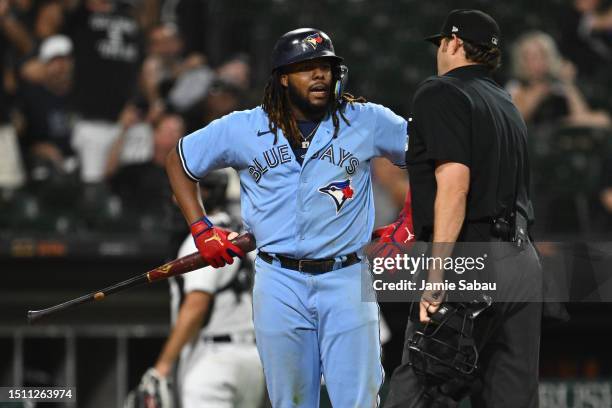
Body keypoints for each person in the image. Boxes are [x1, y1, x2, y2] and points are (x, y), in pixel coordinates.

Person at [166, 28, 408, 407]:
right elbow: (179, 161)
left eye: (326, 67)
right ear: (282, 77)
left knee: (358, 402)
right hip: (279, 280)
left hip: (346, 276)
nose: (320, 76)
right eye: (306, 68)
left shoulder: (366, 120)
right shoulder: (242, 127)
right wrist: (201, 229)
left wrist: (409, 217)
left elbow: (431, 157)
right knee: (291, 402)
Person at [385, 10, 543, 408]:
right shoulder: (505, 102)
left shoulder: (441, 91)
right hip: (521, 259)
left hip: (468, 259)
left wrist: (436, 274)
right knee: (510, 397)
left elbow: (454, 185)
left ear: (453, 43)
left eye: (441, 43)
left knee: (418, 389)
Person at [126, 171, 265, 408]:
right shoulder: (240, 234)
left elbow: (196, 305)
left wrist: (162, 367)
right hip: (253, 359)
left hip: (213, 361)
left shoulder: (201, 241)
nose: (175, 200)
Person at [507, 30, 610, 128]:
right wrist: (539, 92)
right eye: (532, 57)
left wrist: (568, 83)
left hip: (558, 134)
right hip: (532, 138)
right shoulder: (517, 86)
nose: (539, 62)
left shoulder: (557, 85)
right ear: (522, 61)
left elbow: (581, 116)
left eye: (543, 55)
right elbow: (515, 119)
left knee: (602, 119)